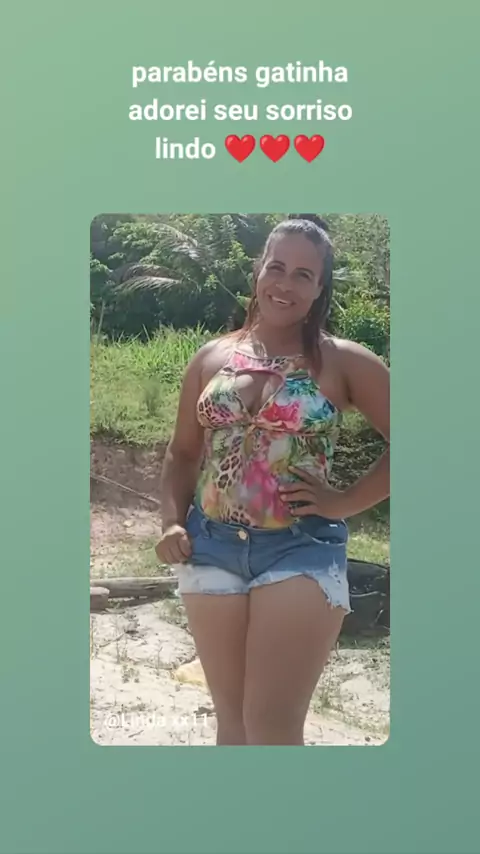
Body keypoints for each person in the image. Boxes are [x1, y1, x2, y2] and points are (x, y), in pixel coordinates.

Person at [156, 215, 390, 745]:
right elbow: (183, 452)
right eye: (276, 267)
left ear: (320, 288)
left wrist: (343, 502)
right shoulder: (211, 357)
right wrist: (171, 522)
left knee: (272, 728)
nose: (285, 284)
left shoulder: (343, 361)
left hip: (299, 548)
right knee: (233, 725)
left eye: (304, 275)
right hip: (211, 545)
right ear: (259, 270)